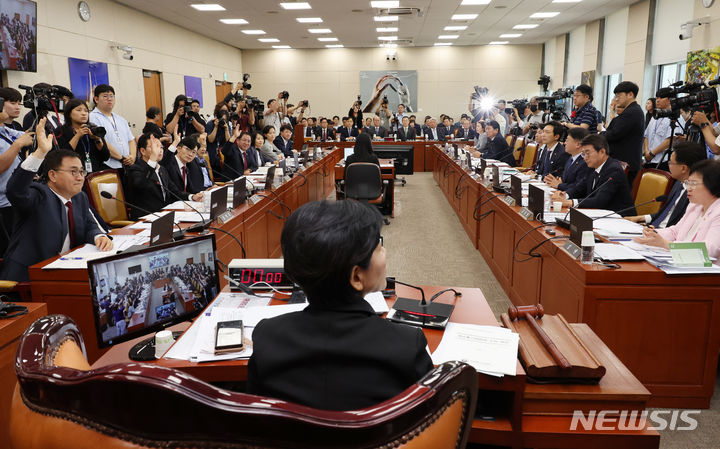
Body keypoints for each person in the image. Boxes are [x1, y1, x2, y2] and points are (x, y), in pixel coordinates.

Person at [247, 200, 434, 411]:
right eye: (379, 247)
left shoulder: (267, 336)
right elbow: (429, 417)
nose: (385, 252)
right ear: (356, 276)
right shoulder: (407, 344)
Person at [3, 133, 113, 282]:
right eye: (73, 172)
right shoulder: (39, 195)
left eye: (81, 171)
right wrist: (40, 153)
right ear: (52, 176)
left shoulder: (79, 197)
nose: (80, 177)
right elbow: (15, 190)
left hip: (65, 273)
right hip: (27, 282)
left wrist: (98, 236)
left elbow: (89, 225)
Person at [634, 159, 720, 259]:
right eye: (688, 183)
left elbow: (709, 250)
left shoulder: (717, 212)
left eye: (694, 184)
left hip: (706, 271)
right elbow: (675, 231)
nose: (688, 188)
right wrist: (654, 234)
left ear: (712, 185)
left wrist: (666, 244)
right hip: (680, 261)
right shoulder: (695, 206)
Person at [625, 142, 707, 228]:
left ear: (683, 168)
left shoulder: (697, 195)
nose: (668, 166)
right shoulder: (679, 183)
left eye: (671, 163)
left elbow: (681, 227)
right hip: (653, 229)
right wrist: (640, 218)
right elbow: (665, 213)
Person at [551, 134, 636, 216]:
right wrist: (564, 195)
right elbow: (579, 188)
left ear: (602, 152)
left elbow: (599, 200)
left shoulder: (614, 170)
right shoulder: (591, 167)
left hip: (620, 218)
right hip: (598, 214)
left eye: (588, 153)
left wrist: (570, 202)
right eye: (583, 154)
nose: (585, 157)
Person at [125, 133, 203, 220]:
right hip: (145, 219)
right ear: (143, 151)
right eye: (155, 147)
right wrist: (152, 159)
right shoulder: (135, 169)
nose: (159, 150)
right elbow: (141, 184)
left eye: (161, 147)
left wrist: (192, 197)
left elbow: (174, 192)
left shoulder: (161, 169)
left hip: (164, 216)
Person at [0, 106, 35, 255]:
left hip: (16, 200)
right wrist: (18, 144)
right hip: (3, 205)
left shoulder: (5, 130)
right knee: (9, 252)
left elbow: (30, 136)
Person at [604, 81, 646, 185]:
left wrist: (600, 135)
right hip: (622, 161)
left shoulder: (632, 112)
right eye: (615, 96)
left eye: (619, 96)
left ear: (630, 94)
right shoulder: (630, 111)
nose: (616, 99)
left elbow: (615, 134)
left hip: (626, 163)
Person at [89, 84, 136, 170]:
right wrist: (121, 158)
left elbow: (131, 140)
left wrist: (132, 156)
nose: (109, 99)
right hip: (108, 165)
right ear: (96, 99)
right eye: (105, 96)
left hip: (127, 165)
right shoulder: (92, 117)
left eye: (111, 96)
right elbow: (102, 141)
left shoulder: (121, 119)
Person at [56, 99, 111, 173]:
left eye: (86, 111)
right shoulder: (61, 131)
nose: (83, 113)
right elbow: (63, 156)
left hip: (95, 174)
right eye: (79, 110)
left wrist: (97, 140)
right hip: (73, 173)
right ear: (69, 113)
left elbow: (105, 157)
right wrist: (77, 135)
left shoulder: (93, 128)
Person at [545, 127, 592, 199]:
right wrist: (556, 181)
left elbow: (579, 187)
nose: (564, 143)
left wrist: (559, 185)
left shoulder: (585, 162)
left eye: (567, 140)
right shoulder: (570, 158)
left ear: (578, 145)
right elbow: (566, 181)